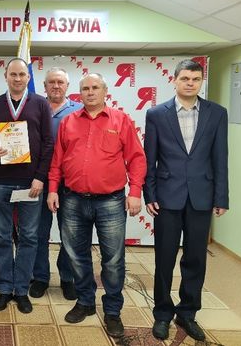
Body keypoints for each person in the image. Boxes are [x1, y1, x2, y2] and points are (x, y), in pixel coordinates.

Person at [47, 73, 146, 338]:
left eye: (95, 87)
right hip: (72, 199)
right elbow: (57, 160)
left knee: (113, 260)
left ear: (105, 91)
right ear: (79, 93)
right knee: (76, 255)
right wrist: (53, 189)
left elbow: (137, 158)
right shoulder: (68, 122)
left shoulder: (121, 120)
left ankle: (112, 311)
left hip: (110, 201)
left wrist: (135, 192)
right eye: (85, 88)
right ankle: (85, 301)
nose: (90, 92)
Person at [143, 59, 229, 342]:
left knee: (195, 259)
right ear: (175, 80)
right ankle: (162, 314)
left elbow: (221, 157)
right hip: (167, 197)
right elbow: (149, 159)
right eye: (185, 78)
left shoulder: (217, 113)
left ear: (201, 81)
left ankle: (188, 313)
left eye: (195, 79)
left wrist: (221, 196)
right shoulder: (157, 114)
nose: (190, 83)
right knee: (165, 258)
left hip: (202, 197)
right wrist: (149, 194)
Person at [0, 58, 53, 314]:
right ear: (6, 76)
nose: (17, 78)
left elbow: (48, 143)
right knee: (2, 237)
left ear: (28, 77)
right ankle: (4, 289)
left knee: (28, 238)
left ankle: (21, 290)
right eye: (13, 74)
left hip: (30, 182)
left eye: (22, 74)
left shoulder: (40, 103)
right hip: (1, 181)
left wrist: (40, 177)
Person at [30, 67, 82, 300]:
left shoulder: (79, 111)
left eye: (60, 82)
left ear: (67, 86)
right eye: (51, 82)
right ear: (44, 86)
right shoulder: (35, 108)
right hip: (38, 180)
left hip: (68, 183)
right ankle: (40, 277)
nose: (56, 86)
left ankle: (67, 277)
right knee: (37, 233)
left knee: (70, 234)